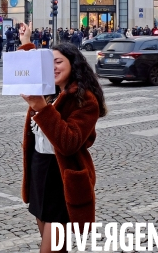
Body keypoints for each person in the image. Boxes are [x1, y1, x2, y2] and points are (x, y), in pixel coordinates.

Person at [18, 22, 107, 253]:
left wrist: (42, 109)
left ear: (73, 64)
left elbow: (68, 143)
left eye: (59, 62)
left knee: (50, 250)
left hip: (62, 178)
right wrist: (25, 43)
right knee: (57, 248)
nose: (54, 68)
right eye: (50, 64)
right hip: (40, 170)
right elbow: (29, 71)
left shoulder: (85, 99)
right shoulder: (51, 90)